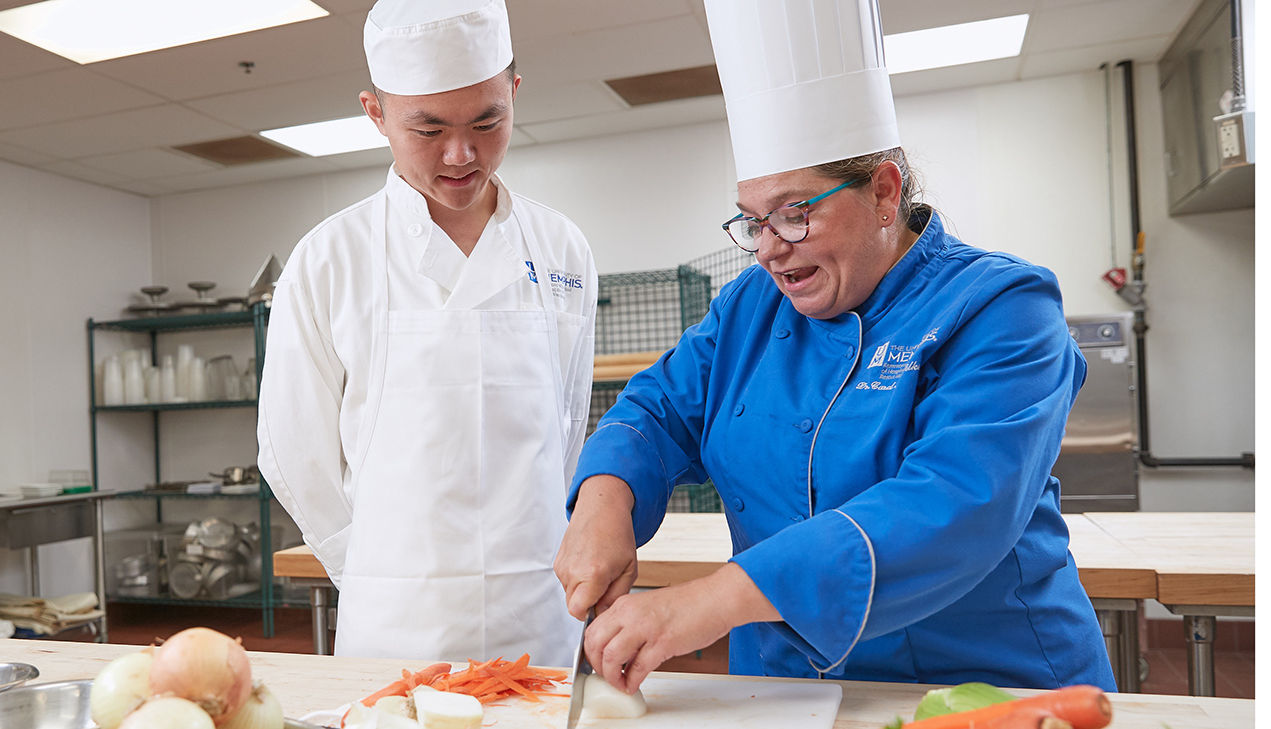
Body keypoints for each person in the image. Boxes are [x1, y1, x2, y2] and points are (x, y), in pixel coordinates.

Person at [553, 0, 1117, 694]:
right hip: (785, 690)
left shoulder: (1003, 308)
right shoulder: (749, 310)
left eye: (795, 213)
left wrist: (714, 598)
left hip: (985, 685)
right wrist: (603, 499)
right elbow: (658, 408)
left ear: (884, 192)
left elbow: (957, 501)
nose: (767, 251)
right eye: (753, 220)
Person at [257, 0, 596, 667]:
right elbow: (292, 445)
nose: (461, 154)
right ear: (376, 113)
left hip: (537, 615)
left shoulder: (561, 247)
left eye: (488, 120)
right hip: (394, 626)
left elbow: (567, 427)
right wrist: (378, 570)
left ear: (514, 93)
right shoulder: (330, 258)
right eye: (429, 128)